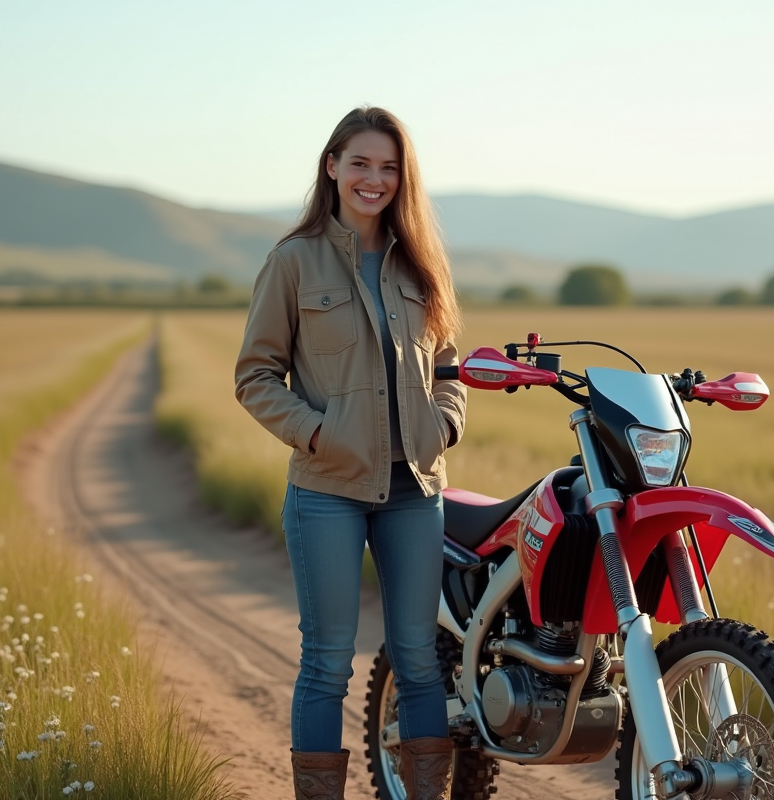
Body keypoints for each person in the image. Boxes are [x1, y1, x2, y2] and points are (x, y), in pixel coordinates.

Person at [234, 106, 466, 800]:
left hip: (414, 491)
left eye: (389, 167)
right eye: (360, 163)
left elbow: (448, 362)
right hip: (326, 490)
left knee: (420, 661)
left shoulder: (421, 262)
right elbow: (254, 377)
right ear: (331, 165)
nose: (375, 179)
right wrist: (316, 434)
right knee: (327, 663)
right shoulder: (293, 261)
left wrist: (444, 424)